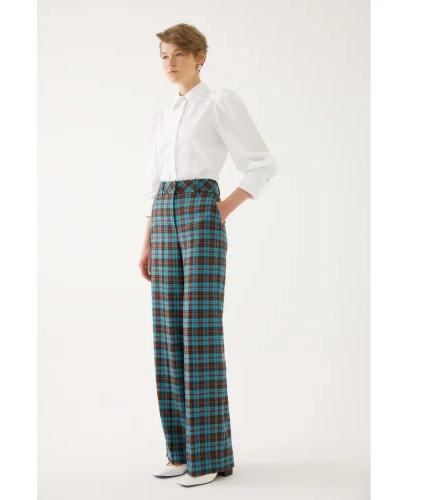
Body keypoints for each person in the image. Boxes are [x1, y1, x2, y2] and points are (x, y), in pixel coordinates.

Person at [138, 23, 278, 487]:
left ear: (200, 57)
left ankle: (210, 456)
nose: (170, 62)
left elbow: (261, 163)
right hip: (164, 214)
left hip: (201, 209)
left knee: (197, 331)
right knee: (167, 333)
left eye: (178, 53)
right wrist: (147, 241)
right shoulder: (162, 117)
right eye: (164, 55)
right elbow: (154, 185)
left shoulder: (218, 103)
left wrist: (221, 209)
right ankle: (179, 452)